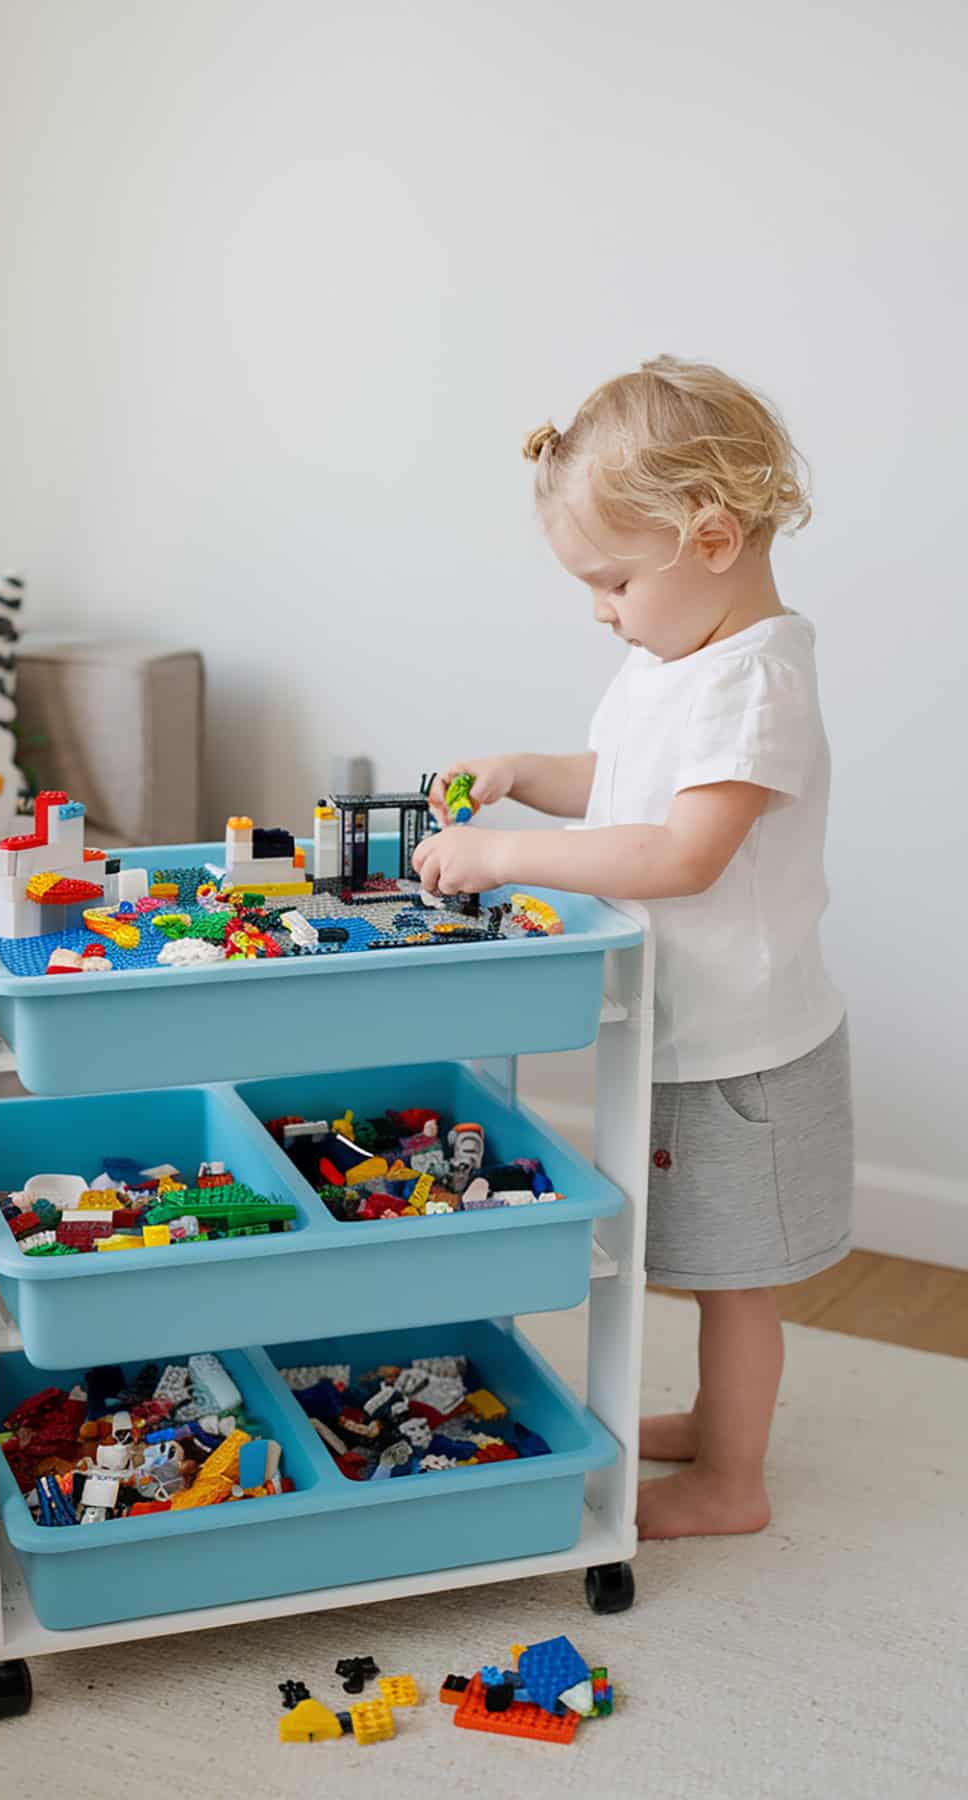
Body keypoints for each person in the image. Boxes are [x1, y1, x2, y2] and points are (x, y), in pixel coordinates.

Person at [416, 355, 853, 1540]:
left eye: (611, 580)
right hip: (686, 1025)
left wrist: (503, 858)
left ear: (710, 540)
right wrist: (522, 774)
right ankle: (720, 1431)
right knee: (700, 1254)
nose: (599, 608)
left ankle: (733, 1484)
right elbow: (621, 788)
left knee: (731, 1274)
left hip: (744, 1047)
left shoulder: (757, 681)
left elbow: (679, 854)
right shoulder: (675, 659)